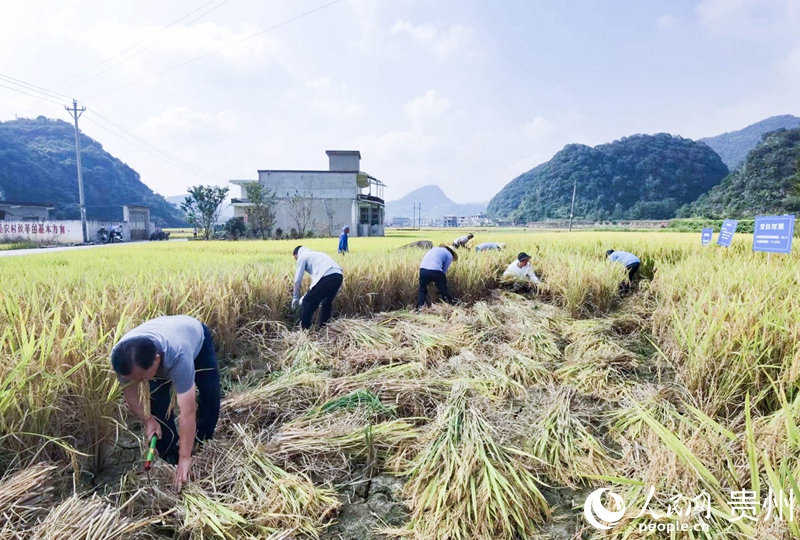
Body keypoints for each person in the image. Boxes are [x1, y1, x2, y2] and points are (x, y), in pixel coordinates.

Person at [110, 315, 220, 491]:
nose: (140, 382)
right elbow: (130, 391)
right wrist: (147, 420)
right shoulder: (123, 360)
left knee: (209, 391)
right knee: (158, 403)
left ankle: (202, 439)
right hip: (160, 345)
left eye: (142, 377)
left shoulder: (179, 355)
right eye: (135, 379)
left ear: (157, 360)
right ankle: (169, 452)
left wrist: (185, 457)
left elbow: (187, 410)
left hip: (195, 339)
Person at [292, 246, 344, 330]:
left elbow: (297, 280)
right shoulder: (317, 255)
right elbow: (317, 284)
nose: (296, 260)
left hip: (327, 277)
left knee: (307, 301)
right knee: (326, 302)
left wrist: (296, 297)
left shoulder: (303, 256)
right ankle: (324, 328)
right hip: (338, 276)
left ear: (297, 254)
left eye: (295, 258)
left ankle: (304, 330)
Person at [417, 244, 457, 309]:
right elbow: (444, 271)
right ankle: (451, 306)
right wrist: (440, 282)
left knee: (422, 289)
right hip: (436, 270)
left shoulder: (433, 249)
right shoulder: (449, 255)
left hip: (423, 269)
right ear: (452, 252)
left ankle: (419, 307)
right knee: (444, 290)